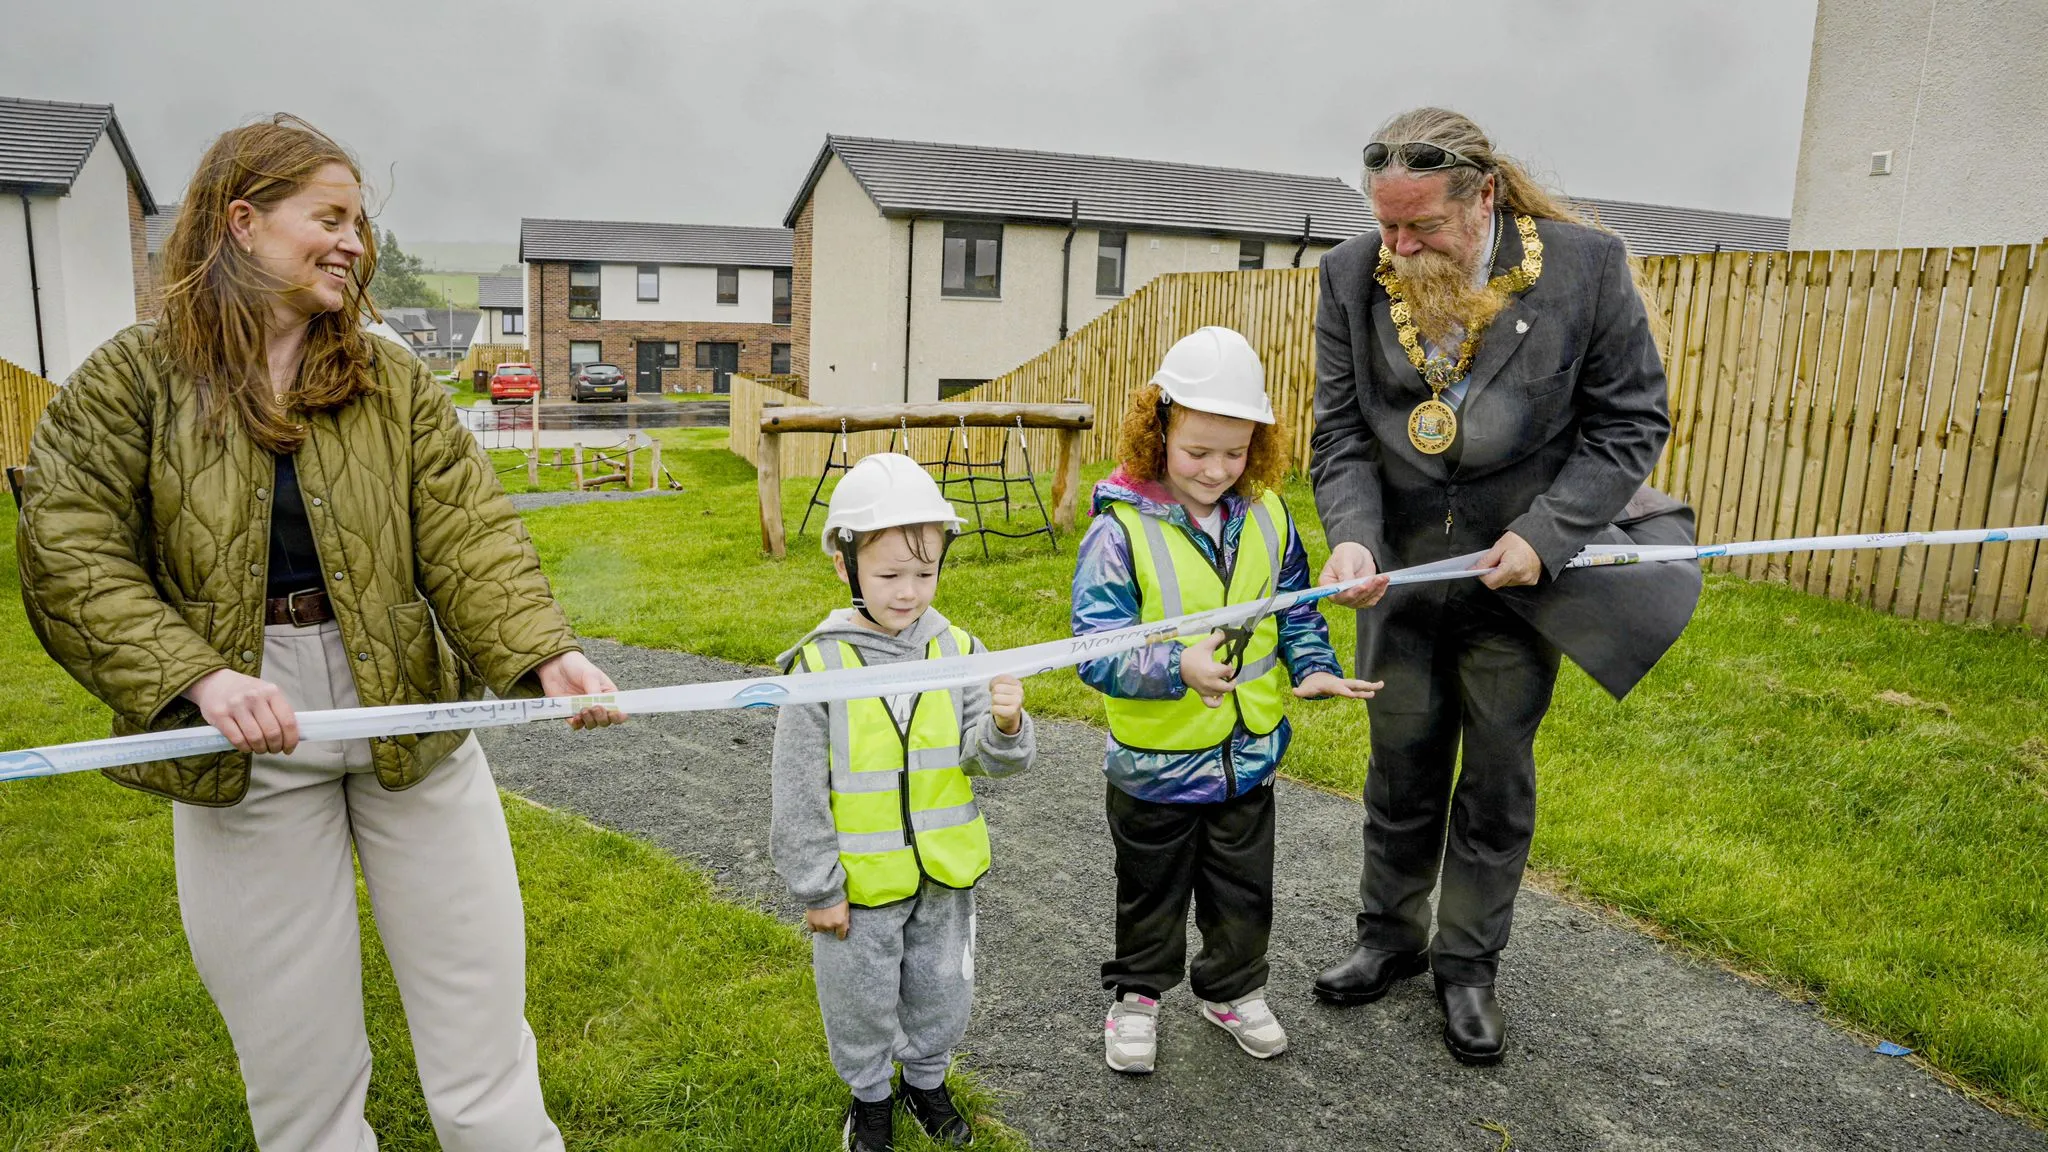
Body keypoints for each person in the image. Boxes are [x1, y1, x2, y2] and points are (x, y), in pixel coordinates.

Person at [16, 115, 622, 1151]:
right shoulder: (131, 378)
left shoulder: (389, 379)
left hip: (411, 718)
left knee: (485, 1054)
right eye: (328, 218)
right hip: (243, 731)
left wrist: (542, 650)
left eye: (361, 223)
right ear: (243, 222)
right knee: (300, 1080)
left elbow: (466, 529)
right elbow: (68, 552)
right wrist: (199, 678)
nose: (354, 243)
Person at [1307, 108, 1698, 1066]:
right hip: (1397, 580)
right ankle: (1387, 938)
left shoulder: (1583, 269)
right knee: (1399, 766)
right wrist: (1353, 541)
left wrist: (1547, 533)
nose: (1396, 247)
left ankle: (1467, 967)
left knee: (1492, 780)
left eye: (1421, 228)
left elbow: (1630, 423)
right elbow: (1342, 434)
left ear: (1482, 197)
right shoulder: (1350, 275)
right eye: (1386, 225)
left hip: (1518, 583)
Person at [1073, 327, 1382, 1075]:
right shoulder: (1119, 531)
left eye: (1235, 452)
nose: (1217, 470)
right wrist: (1174, 667)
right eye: (1196, 452)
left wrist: (1311, 667)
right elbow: (1093, 648)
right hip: (1154, 767)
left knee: (1244, 896)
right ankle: (1137, 1002)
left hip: (1247, 758)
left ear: (1259, 443)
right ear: (1158, 431)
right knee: (1150, 897)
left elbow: (1297, 609)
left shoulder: (1270, 517)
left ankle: (1231, 990)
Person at [770, 452, 1038, 1152]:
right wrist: (818, 885)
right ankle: (870, 1099)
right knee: (859, 1003)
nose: (908, 592)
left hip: (944, 878)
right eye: (889, 575)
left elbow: (993, 760)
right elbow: (797, 791)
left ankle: (925, 1081)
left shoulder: (959, 649)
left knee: (941, 991)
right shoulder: (818, 667)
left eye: (925, 574)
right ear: (845, 566)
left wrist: (1007, 726)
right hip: (858, 890)